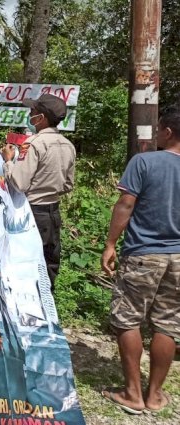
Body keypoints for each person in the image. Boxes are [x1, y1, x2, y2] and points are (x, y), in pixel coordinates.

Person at [100, 107, 180, 414]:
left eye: (160, 129)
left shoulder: (144, 161)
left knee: (128, 319)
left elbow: (126, 203)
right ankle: (155, 395)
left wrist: (110, 244)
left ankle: (133, 394)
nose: (157, 133)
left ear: (168, 132)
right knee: (168, 324)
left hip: (144, 254)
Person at [0, 93, 76, 292]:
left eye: (32, 111)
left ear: (41, 118)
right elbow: (68, 185)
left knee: (25, 261)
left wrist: (8, 161)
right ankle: (47, 303)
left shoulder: (33, 144)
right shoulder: (68, 146)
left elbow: (20, 183)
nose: (30, 114)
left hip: (32, 212)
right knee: (49, 260)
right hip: (53, 212)